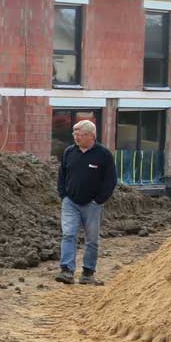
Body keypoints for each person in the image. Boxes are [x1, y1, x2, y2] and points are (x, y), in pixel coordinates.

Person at [56, 119, 117, 285]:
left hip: (92, 205)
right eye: (74, 134)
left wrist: (98, 200)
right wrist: (63, 195)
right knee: (68, 234)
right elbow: (62, 175)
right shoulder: (69, 152)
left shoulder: (103, 155)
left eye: (80, 134)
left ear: (91, 136)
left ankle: (88, 273)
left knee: (92, 239)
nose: (76, 137)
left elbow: (110, 180)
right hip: (70, 202)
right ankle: (67, 271)